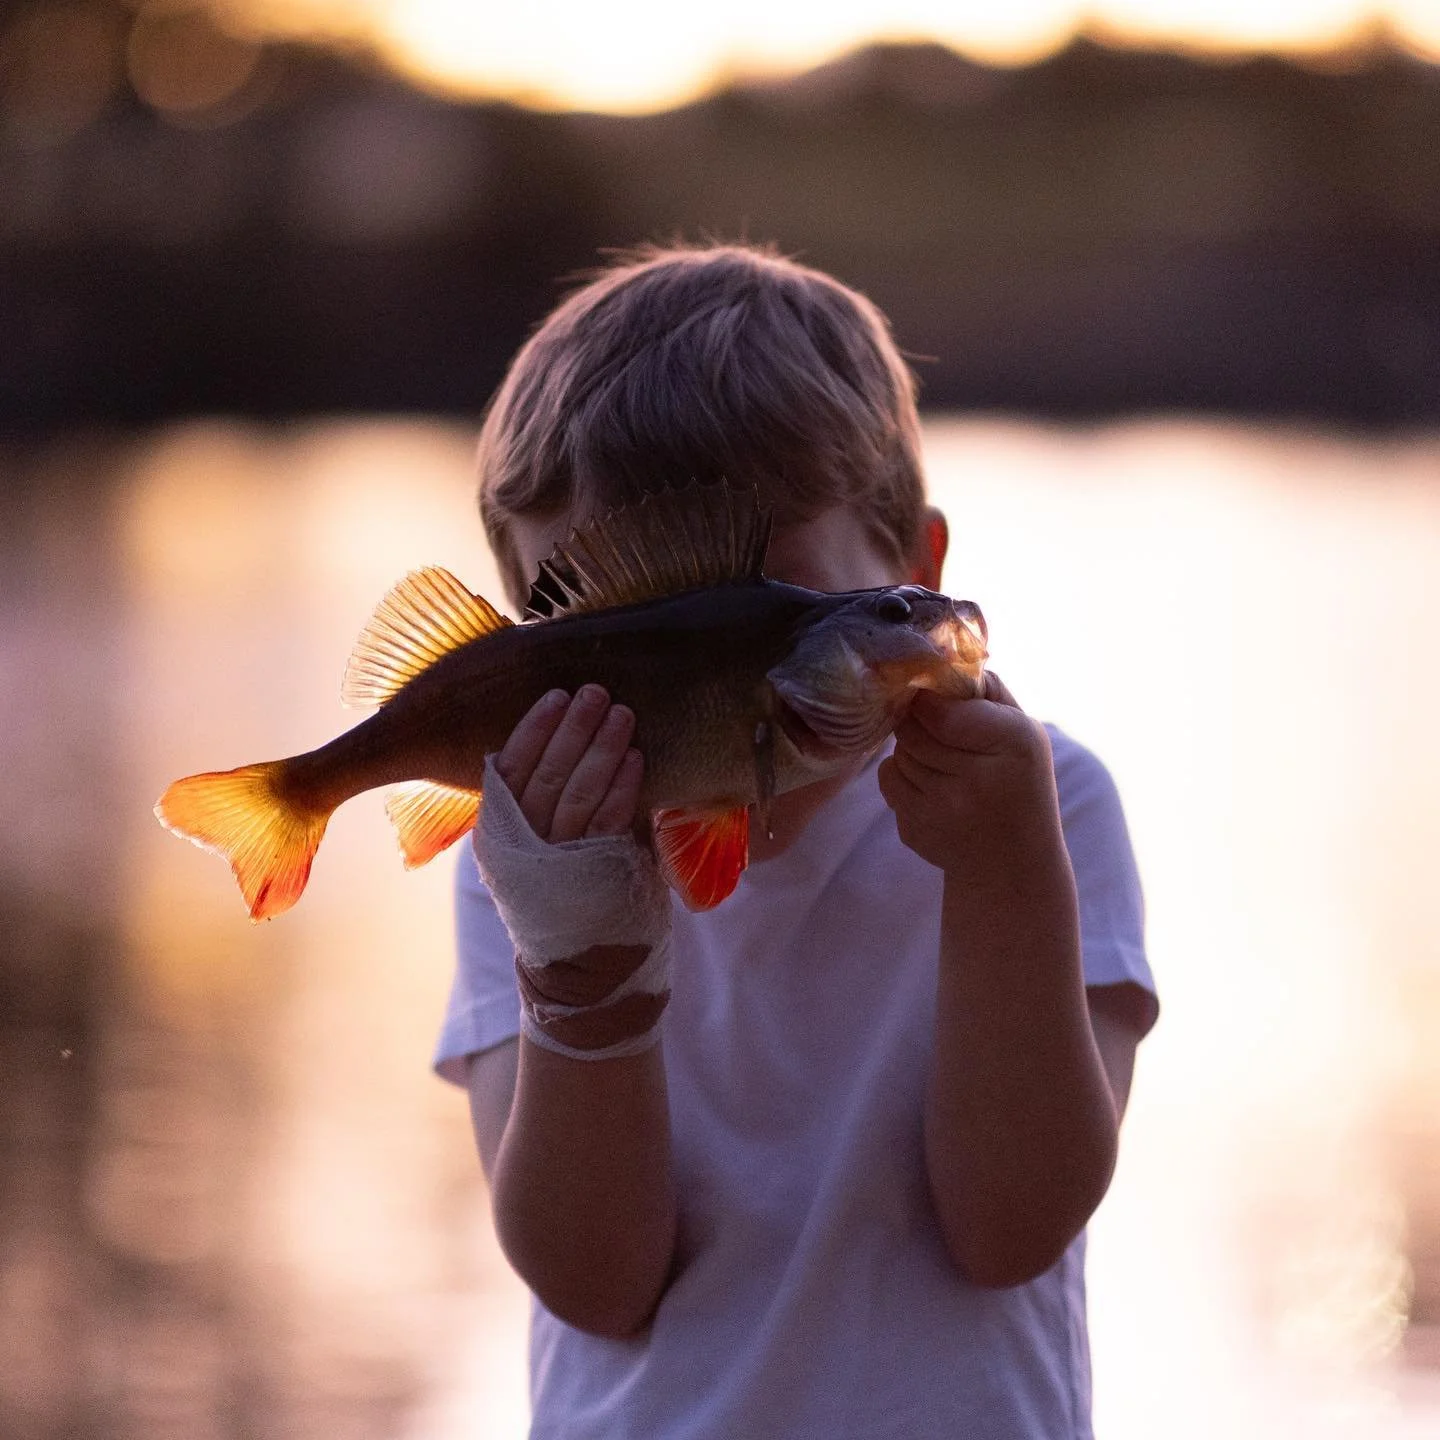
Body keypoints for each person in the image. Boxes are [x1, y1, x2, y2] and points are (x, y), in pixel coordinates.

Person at [433, 242, 1158, 1439]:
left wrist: (1005, 878)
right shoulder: (526, 855)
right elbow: (593, 1282)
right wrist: (587, 954)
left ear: (916, 572)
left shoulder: (1045, 807)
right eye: (620, 632)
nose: (715, 671)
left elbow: (1011, 1229)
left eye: (761, 609)